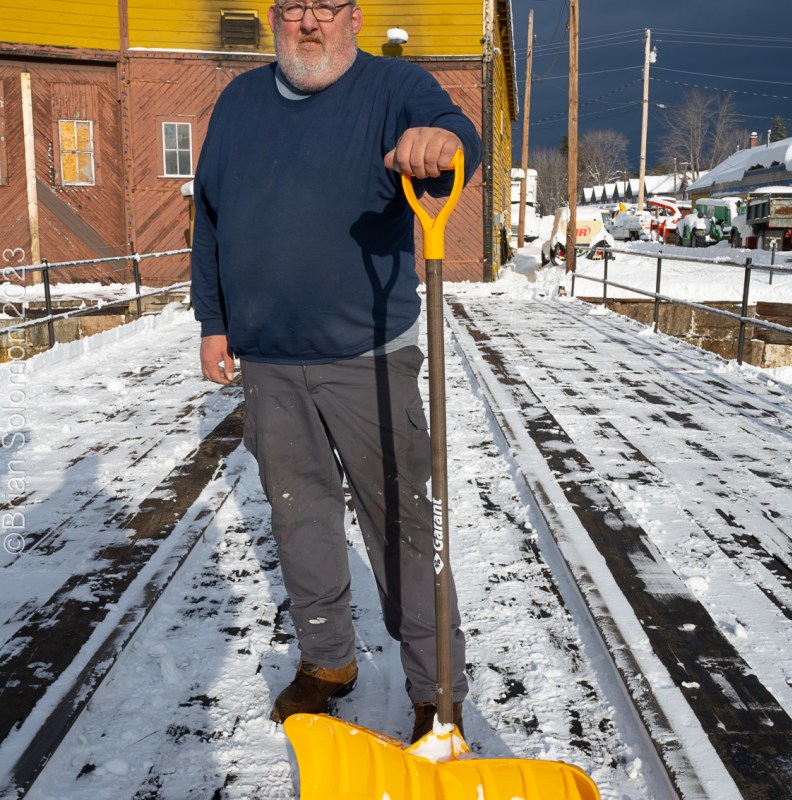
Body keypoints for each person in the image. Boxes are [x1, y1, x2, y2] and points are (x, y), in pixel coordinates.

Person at [190, 0, 481, 743]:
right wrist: (213, 320)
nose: (309, 23)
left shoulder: (394, 87)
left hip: (368, 356)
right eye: (294, 7)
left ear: (353, 17)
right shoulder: (239, 101)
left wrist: (440, 139)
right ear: (274, 17)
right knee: (298, 517)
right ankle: (328, 663)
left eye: (327, 6)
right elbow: (212, 219)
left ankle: (433, 686)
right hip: (269, 362)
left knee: (402, 526)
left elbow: (458, 135)